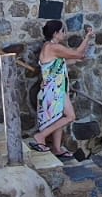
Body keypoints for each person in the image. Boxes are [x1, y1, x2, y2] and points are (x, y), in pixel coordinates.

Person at [33, 19, 93, 158]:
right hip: (54, 90)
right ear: (55, 33)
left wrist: (80, 54)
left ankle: (57, 148)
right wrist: (87, 38)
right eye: (62, 31)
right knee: (70, 116)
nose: (64, 34)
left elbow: (68, 61)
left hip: (56, 89)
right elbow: (77, 54)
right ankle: (41, 136)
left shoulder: (49, 47)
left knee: (58, 117)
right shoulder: (53, 47)